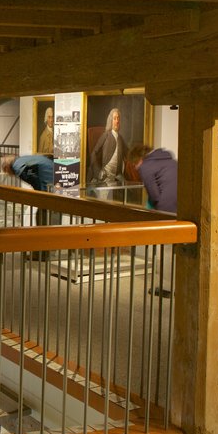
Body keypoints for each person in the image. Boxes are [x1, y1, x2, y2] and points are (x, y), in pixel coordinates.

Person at [128, 144, 178, 297]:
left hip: (166, 211)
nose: (136, 169)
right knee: (176, 250)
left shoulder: (146, 167)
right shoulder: (170, 161)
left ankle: (166, 287)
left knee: (165, 251)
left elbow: (154, 195)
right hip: (181, 209)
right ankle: (178, 284)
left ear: (139, 160)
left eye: (135, 164)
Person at [89, 108, 128, 191]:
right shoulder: (106, 135)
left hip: (117, 178)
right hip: (104, 177)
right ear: (110, 120)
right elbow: (94, 153)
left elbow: (128, 154)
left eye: (118, 118)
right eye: (114, 118)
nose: (117, 121)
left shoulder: (120, 138)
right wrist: (98, 171)